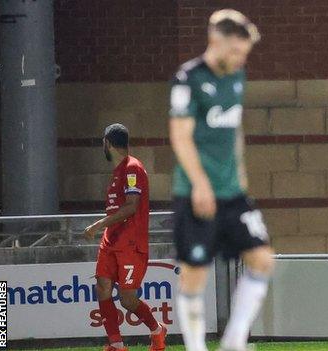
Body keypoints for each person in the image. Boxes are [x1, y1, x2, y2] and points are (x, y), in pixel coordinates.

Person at [168, 9, 275, 351]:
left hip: (232, 193)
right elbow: (180, 136)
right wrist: (199, 183)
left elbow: (235, 127)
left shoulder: (237, 75)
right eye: (235, 51)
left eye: (244, 53)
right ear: (215, 41)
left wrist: (240, 173)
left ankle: (233, 341)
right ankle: (196, 347)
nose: (240, 58)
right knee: (194, 273)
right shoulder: (188, 78)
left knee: (262, 258)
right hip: (195, 192)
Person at [84, 123, 166, 351]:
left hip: (130, 244)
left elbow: (132, 207)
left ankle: (158, 330)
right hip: (111, 241)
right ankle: (117, 344)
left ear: (107, 143)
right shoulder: (117, 172)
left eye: (103, 142)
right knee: (102, 286)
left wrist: (99, 224)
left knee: (127, 299)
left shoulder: (133, 169)